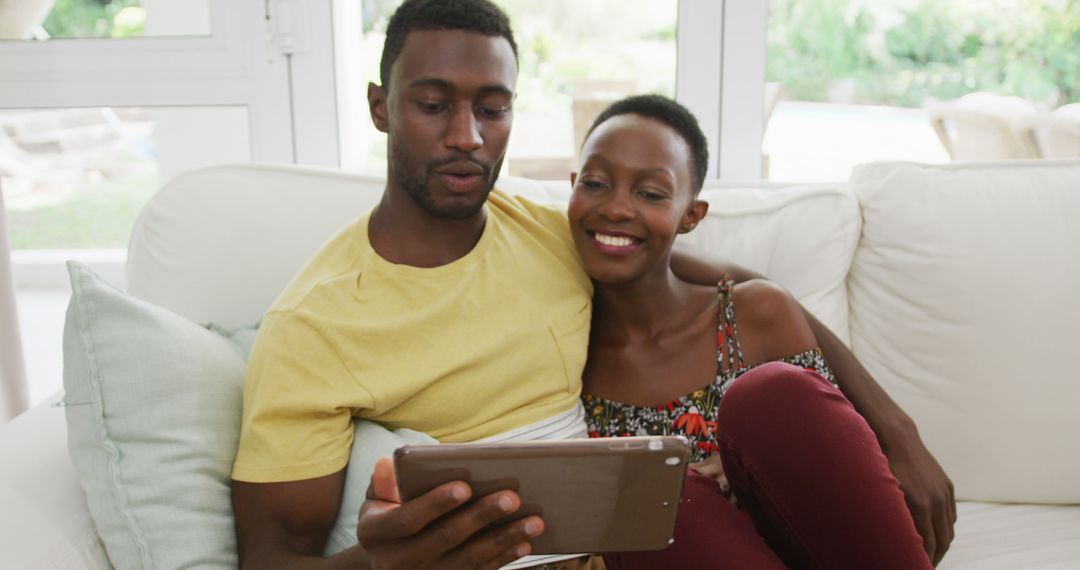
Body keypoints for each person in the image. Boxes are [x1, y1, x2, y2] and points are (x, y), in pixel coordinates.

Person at [231, 0, 954, 568]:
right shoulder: (314, 325)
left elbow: (725, 281)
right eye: (432, 104)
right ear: (380, 106)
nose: (467, 137)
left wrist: (895, 428)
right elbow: (269, 560)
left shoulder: (553, 230)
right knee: (663, 507)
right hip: (583, 545)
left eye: (491, 108)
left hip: (646, 530)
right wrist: (385, 564)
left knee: (763, 407)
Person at [570, 94, 935, 569]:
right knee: (654, 494)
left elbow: (832, 460)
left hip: (816, 547)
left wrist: (742, 470)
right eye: (596, 184)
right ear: (572, 187)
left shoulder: (754, 313)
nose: (617, 208)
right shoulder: (560, 339)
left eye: (651, 193)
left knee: (774, 392)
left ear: (691, 215)